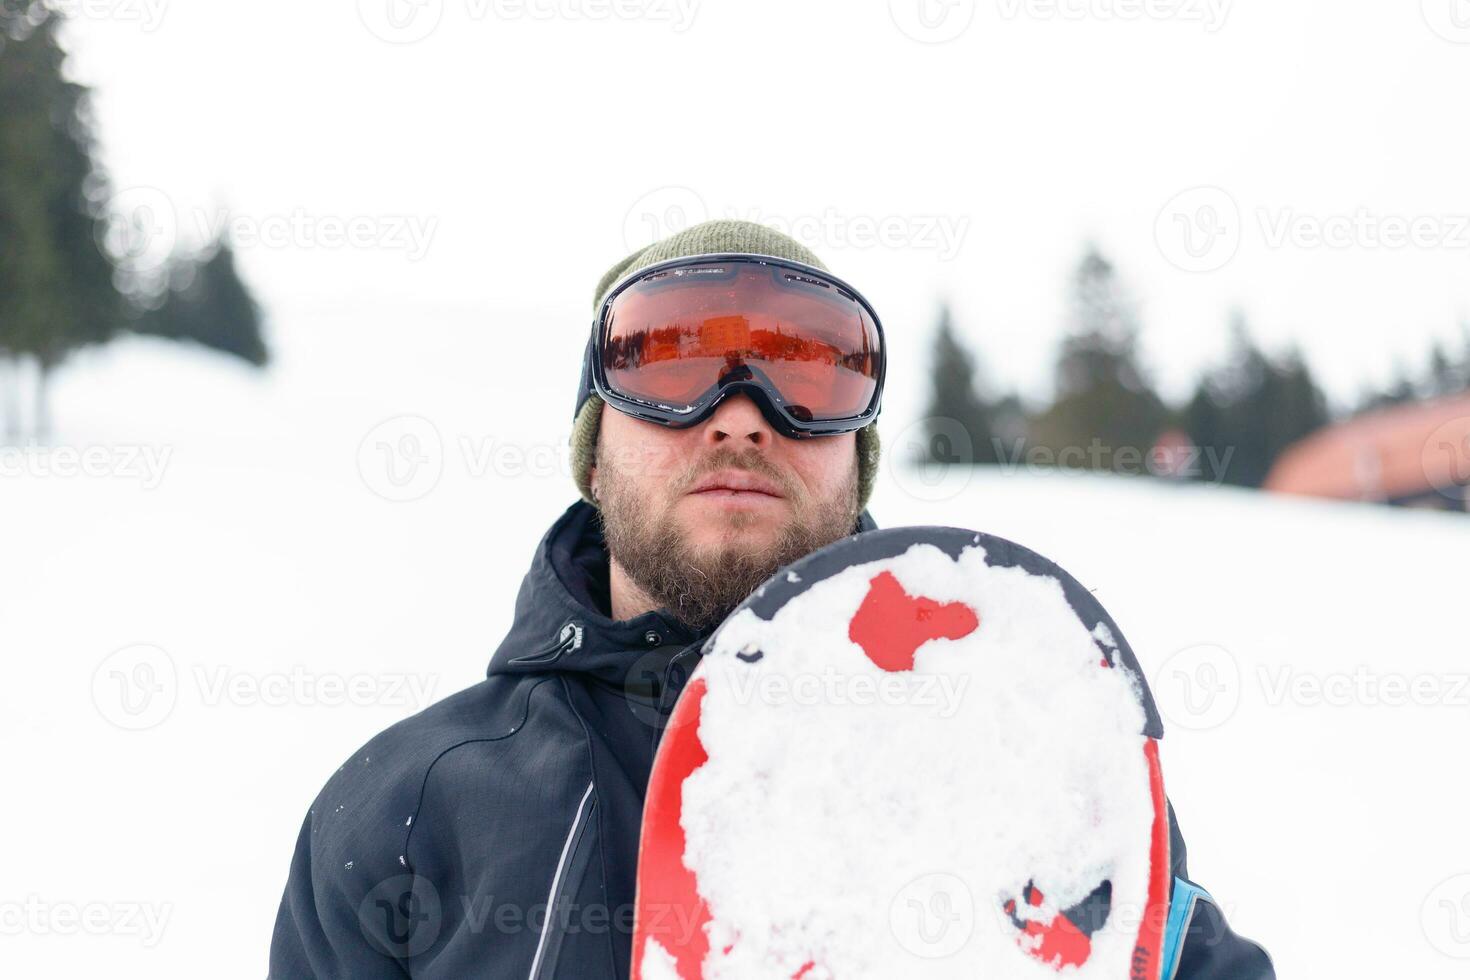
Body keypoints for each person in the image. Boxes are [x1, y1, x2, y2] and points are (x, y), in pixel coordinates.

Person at [269, 219, 1273, 979]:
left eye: (807, 371)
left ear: (857, 457)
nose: (741, 417)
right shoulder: (407, 811)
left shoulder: (1023, 748)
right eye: (670, 361)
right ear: (593, 445)